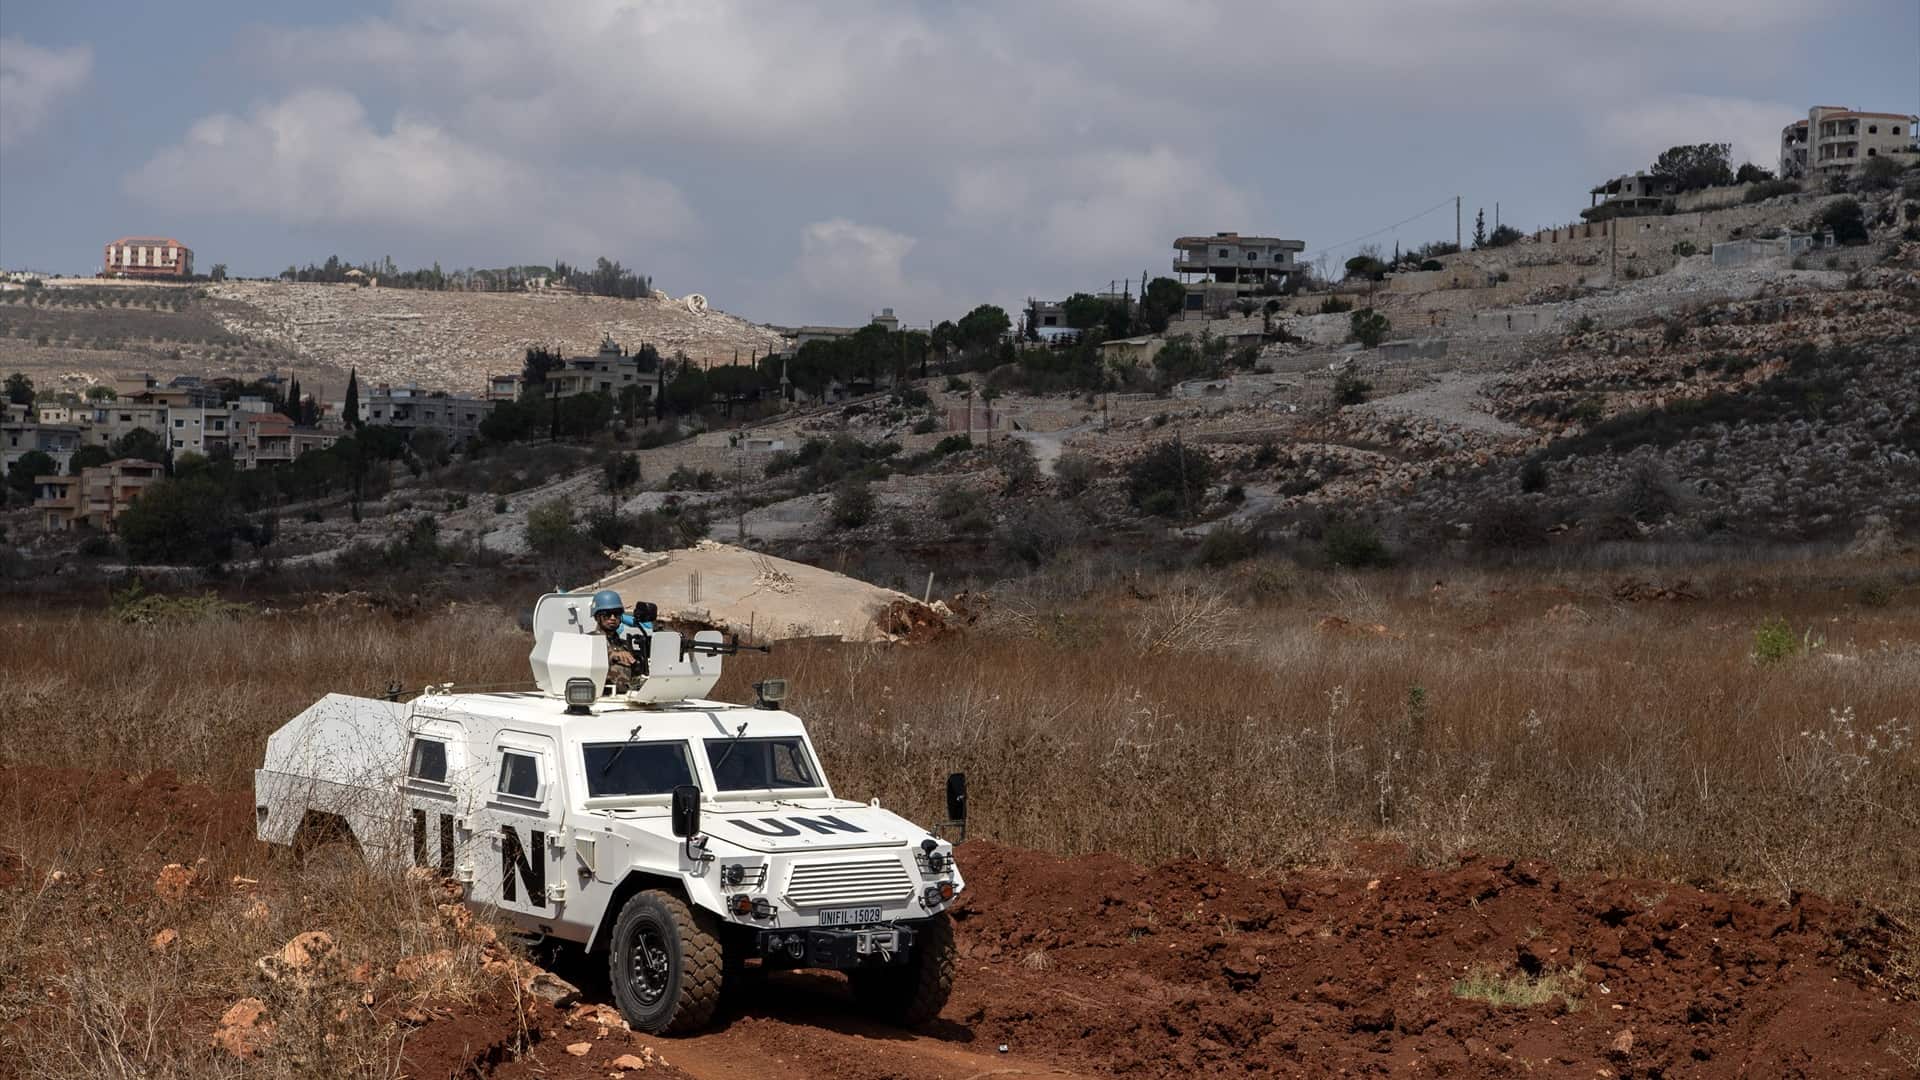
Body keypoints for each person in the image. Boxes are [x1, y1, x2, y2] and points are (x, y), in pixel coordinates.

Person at [591, 590, 641, 688]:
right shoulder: (588, 640)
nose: (613, 618)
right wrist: (613, 655)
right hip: (599, 696)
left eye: (617, 614)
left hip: (623, 698)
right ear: (597, 617)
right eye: (607, 614)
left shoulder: (625, 645)